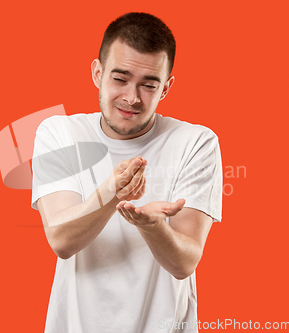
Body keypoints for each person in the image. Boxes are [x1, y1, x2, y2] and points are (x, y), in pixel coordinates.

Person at [31, 12, 223, 333]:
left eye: (149, 85)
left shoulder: (196, 142)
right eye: (120, 79)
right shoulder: (59, 133)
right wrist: (112, 193)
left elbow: (185, 262)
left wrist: (153, 227)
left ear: (166, 88)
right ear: (97, 72)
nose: (132, 98)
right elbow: (61, 239)